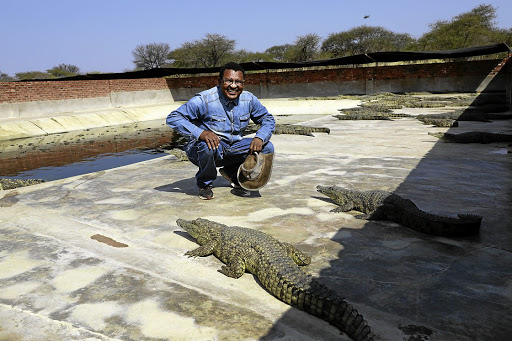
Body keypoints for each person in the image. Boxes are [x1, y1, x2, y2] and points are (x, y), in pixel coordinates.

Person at [166, 62, 275, 200]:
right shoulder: (204, 100)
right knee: (207, 145)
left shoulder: (249, 99)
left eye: (238, 82)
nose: (233, 86)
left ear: (243, 83)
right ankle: (204, 183)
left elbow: (267, 119)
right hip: (204, 149)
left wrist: (260, 136)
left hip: (233, 147)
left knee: (267, 146)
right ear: (219, 81)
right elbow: (173, 117)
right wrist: (201, 133)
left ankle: (234, 172)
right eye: (229, 81)